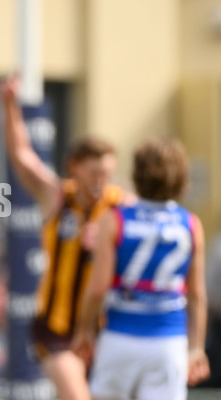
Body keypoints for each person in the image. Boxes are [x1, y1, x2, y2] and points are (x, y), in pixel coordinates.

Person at [0, 73, 129, 400]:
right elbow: (23, 157)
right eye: (94, 172)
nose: (101, 180)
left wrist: (109, 247)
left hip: (106, 329)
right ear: (75, 167)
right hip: (56, 327)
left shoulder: (121, 206)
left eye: (107, 173)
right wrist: (10, 105)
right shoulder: (58, 197)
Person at [71, 137, 210, 400]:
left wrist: (84, 331)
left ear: (137, 175)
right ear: (182, 178)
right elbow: (197, 295)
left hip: (120, 339)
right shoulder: (191, 224)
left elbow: (98, 288)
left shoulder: (115, 219)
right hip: (169, 343)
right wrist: (196, 347)